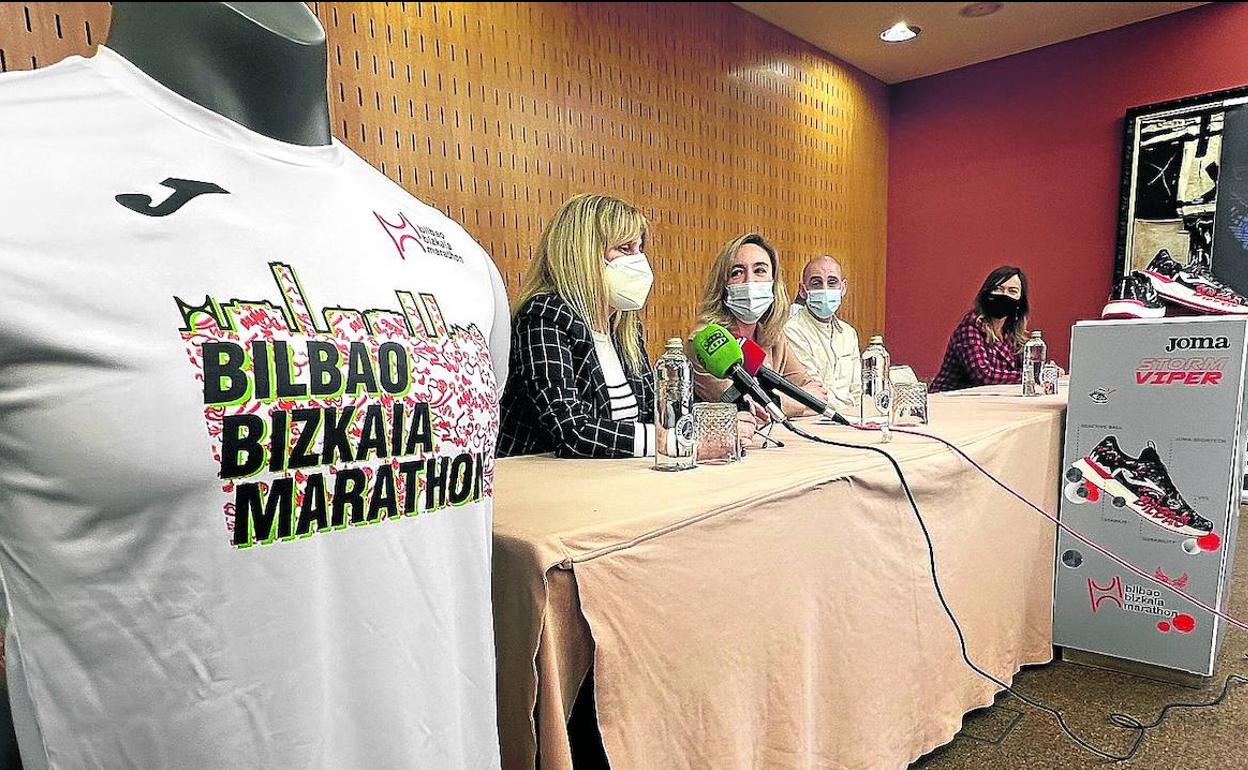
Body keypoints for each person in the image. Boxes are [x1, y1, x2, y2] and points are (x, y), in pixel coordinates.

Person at [499, 194, 756, 457]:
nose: (638, 260)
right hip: (541, 484)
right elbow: (571, 431)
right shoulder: (544, 315)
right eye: (625, 249)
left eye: (640, 248)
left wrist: (713, 424)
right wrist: (680, 443)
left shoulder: (625, 329)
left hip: (613, 480)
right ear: (583, 254)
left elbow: (652, 413)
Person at [689, 233, 827, 418]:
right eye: (737, 272)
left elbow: (815, 392)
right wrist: (799, 402)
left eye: (759, 271)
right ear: (722, 285)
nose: (750, 281)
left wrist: (787, 403)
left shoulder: (771, 335)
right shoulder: (706, 340)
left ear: (773, 282)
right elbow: (748, 408)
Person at [931, 266, 1031, 392]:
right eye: (998, 289)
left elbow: (1027, 366)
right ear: (986, 293)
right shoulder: (971, 326)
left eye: (1012, 291)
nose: (1004, 296)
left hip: (987, 401)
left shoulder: (1011, 331)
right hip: (947, 401)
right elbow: (984, 376)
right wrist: (1031, 377)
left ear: (1020, 301)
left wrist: (1046, 371)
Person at [783, 256, 862, 416]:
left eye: (832, 282)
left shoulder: (849, 333)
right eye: (816, 283)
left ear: (843, 288)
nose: (825, 289)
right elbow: (814, 393)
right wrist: (846, 412)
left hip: (852, 419)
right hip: (815, 420)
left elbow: (858, 389)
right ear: (803, 291)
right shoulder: (791, 330)